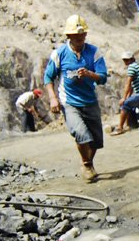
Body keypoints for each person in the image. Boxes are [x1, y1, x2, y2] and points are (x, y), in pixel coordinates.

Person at [44, 15, 108, 183]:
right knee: (81, 133)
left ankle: (89, 162)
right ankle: (86, 164)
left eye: (83, 36)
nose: (81, 39)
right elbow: (48, 78)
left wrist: (89, 74)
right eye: (77, 37)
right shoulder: (59, 54)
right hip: (69, 102)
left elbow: (103, 77)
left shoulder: (94, 52)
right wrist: (53, 98)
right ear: (69, 36)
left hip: (90, 100)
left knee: (95, 141)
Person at [111, 51, 139, 135]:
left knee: (126, 104)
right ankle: (130, 125)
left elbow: (128, 84)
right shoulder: (137, 66)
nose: (126, 62)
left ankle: (120, 127)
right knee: (128, 102)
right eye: (125, 60)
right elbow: (131, 87)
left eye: (127, 60)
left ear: (131, 59)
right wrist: (127, 97)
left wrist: (124, 98)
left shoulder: (132, 67)